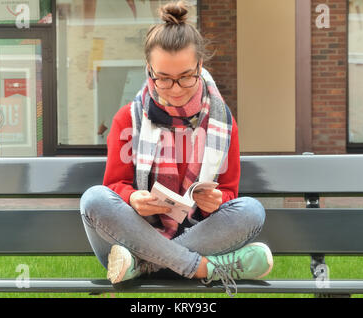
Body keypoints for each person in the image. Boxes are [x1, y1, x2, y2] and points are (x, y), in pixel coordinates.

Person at [80, 0, 273, 297]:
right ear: (149, 70)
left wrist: (216, 201)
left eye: (185, 76)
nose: (176, 89)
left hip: (184, 238)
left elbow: (230, 191)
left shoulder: (223, 124)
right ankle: (205, 269)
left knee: (251, 211)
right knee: (93, 200)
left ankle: (143, 266)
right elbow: (113, 186)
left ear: (200, 66)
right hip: (133, 235)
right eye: (164, 79)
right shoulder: (127, 119)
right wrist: (133, 198)